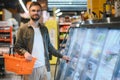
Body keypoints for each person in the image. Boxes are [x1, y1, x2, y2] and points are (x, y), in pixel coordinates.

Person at [14, 2, 70, 80]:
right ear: (29, 12)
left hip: (45, 67)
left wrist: (62, 56)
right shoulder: (23, 29)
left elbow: (49, 46)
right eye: (33, 10)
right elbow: (17, 46)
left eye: (38, 10)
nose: (36, 12)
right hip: (30, 68)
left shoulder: (44, 29)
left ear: (40, 12)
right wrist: (25, 53)